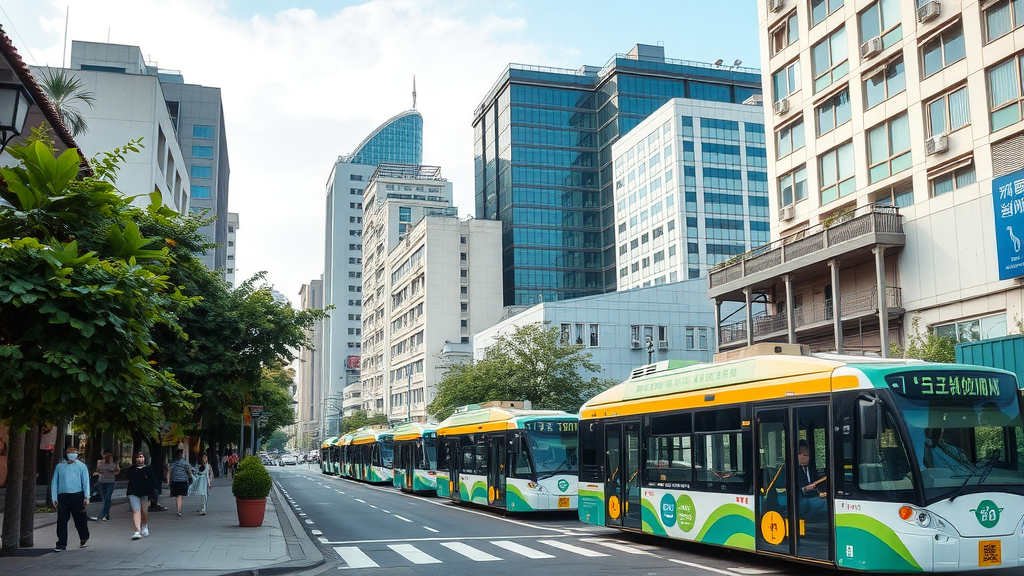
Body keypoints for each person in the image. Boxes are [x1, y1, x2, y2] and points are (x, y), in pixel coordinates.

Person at [51, 445, 91, 551]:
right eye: (69, 452)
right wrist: (54, 498)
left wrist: (87, 497)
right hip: (62, 496)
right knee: (62, 520)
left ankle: (84, 536)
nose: (71, 454)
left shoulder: (81, 466)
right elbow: (55, 482)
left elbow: (85, 482)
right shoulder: (60, 466)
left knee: (79, 519)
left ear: (77, 454)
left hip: (77, 495)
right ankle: (61, 543)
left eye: (73, 452)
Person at [125, 452, 159, 540]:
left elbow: (153, 482)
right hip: (133, 493)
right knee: (136, 510)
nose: (139, 459)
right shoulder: (132, 469)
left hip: (145, 493)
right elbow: (127, 478)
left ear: (145, 458)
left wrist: (154, 493)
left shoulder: (148, 469)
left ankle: (144, 526)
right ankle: (137, 531)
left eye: (141, 457)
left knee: (144, 512)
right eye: (138, 457)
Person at [797, 441, 826, 514]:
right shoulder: (793, 470)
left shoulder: (811, 469)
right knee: (827, 504)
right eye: (800, 454)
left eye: (806, 454)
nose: (803, 457)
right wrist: (804, 489)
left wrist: (819, 492)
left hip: (811, 498)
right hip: (800, 502)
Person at [90, 448, 120, 522]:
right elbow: (97, 470)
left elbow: (118, 470)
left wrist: (112, 473)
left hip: (110, 482)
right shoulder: (100, 462)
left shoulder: (114, 462)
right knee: (105, 500)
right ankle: (107, 515)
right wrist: (99, 465)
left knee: (107, 498)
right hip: (102, 482)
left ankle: (100, 515)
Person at [166, 449, 193, 517]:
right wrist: (190, 478)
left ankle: (178, 508)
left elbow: (169, 472)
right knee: (180, 496)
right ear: (181, 454)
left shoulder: (173, 463)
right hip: (183, 480)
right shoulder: (185, 463)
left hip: (174, 481)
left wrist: (168, 480)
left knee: (178, 496)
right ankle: (179, 509)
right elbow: (189, 471)